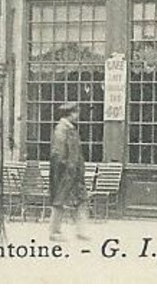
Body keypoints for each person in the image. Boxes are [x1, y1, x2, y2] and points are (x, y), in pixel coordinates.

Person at [48, 101, 89, 242]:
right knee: (59, 202)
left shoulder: (70, 129)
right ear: (69, 114)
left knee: (81, 200)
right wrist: (64, 171)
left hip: (74, 173)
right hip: (65, 173)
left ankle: (82, 231)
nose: (78, 115)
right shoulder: (61, 129)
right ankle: (54, 232)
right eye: (76, 112)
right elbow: (58, 154)